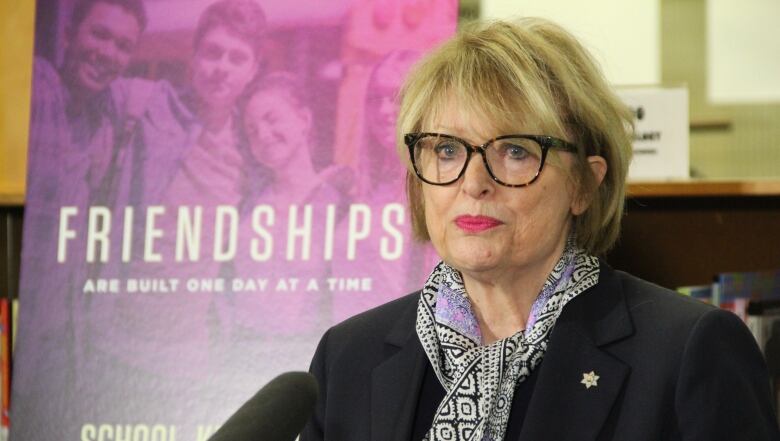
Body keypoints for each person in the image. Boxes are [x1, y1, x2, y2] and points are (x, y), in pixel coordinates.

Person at [300, 18, 780, 441]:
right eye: (447, 150)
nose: (473, 183)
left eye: (515, 151)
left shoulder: (687, 352)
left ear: (584, 185)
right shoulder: (348, 358)